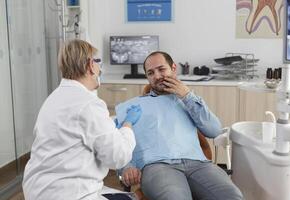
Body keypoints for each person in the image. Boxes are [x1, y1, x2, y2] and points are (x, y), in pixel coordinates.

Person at [22, 39, 142, 200]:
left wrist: (108, 128)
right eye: (98, 62)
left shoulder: (53, 98)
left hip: (38, 189)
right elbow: (118, 157)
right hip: (68, 193)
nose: (100, 69)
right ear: (90, 65)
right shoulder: (89, 104)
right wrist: (127, 124)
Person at [117, 51, 243, 200]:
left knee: (232, 196)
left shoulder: (188, 101)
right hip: (157, 166)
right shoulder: (132, 106)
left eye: (161, 69)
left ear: (173, 68)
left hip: (198, 164)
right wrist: (127, 167)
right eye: (151, 73)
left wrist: (187, 96)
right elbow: (118, 144)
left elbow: (214, 130)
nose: (157, 76)